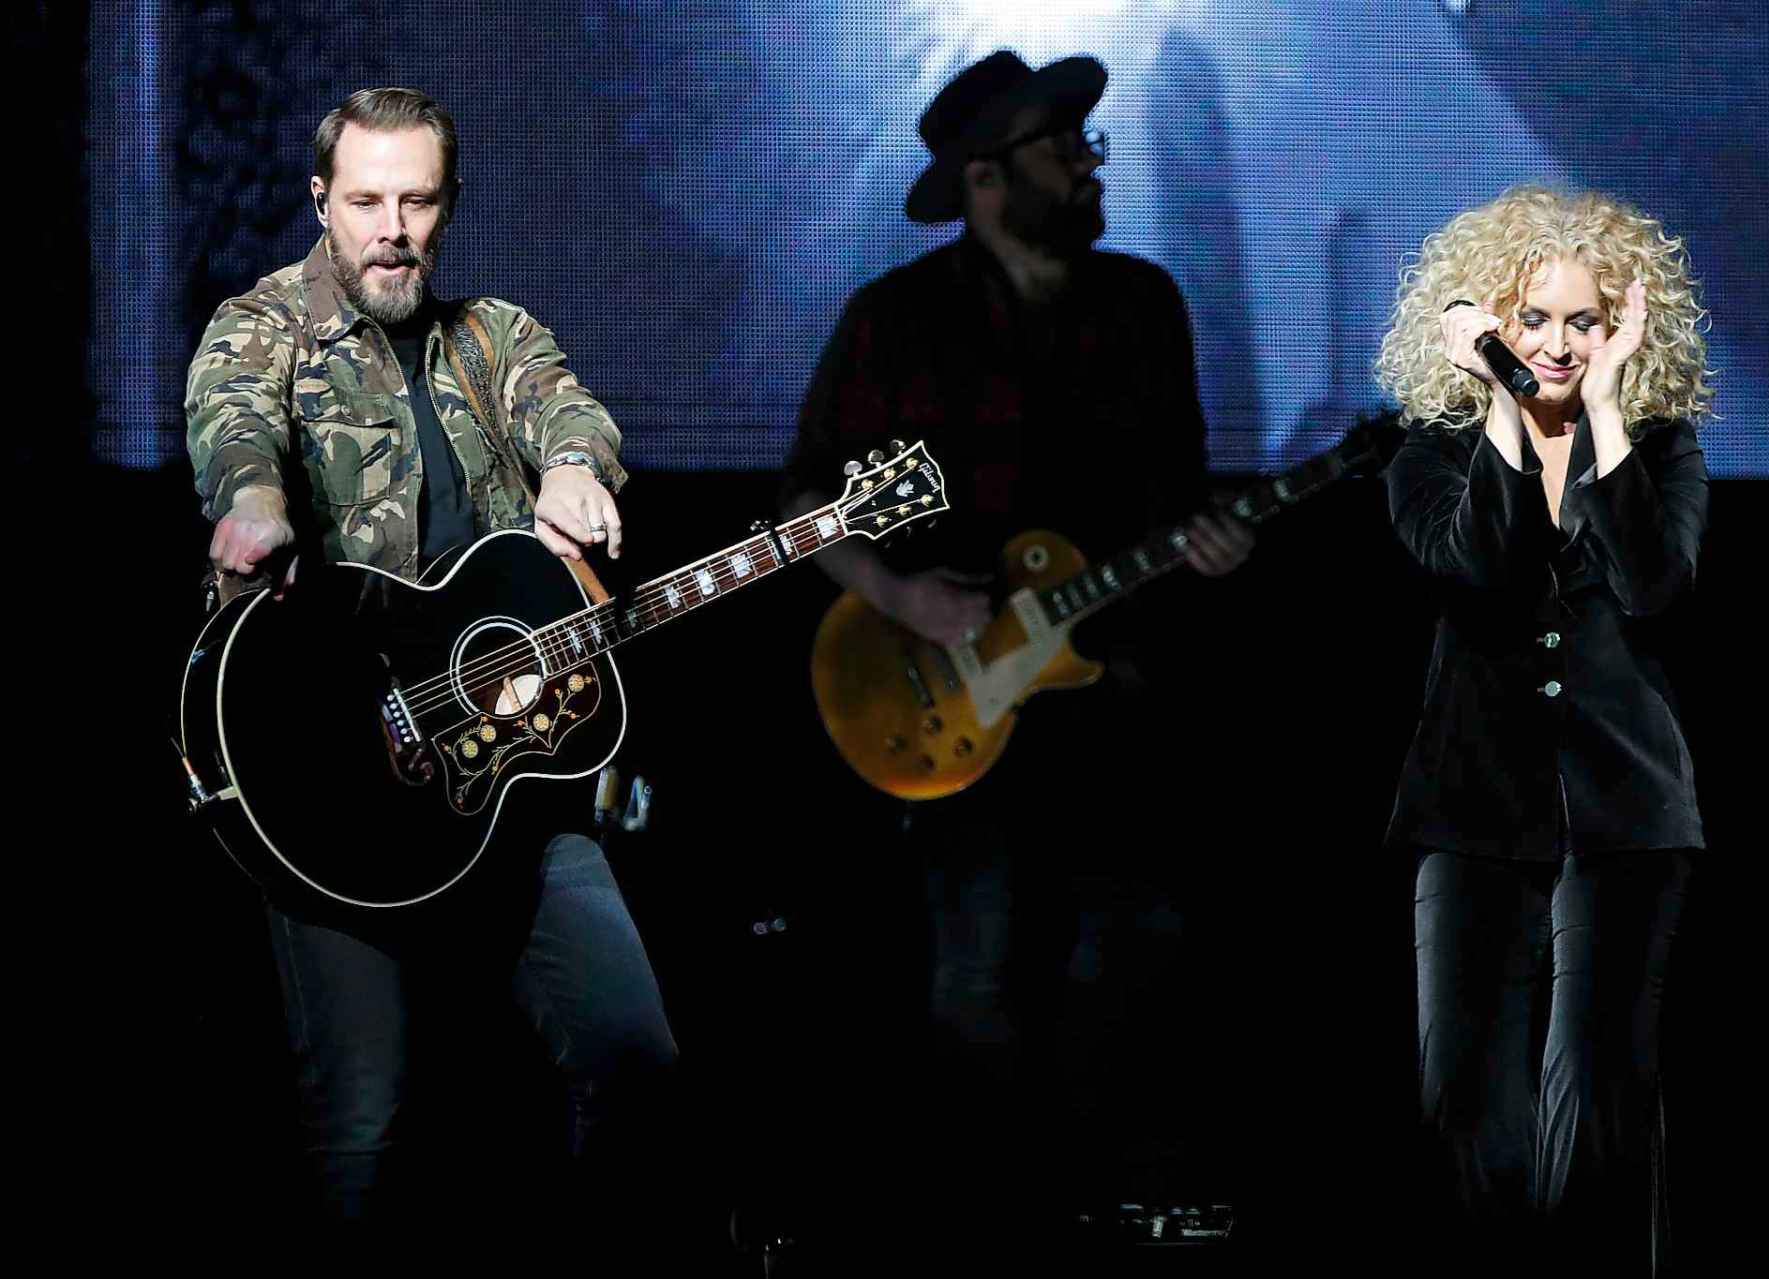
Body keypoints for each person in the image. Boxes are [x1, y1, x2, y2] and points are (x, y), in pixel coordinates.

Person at [777, 51, 1253, 1249]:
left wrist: (1210, 545)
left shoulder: (1145, 304)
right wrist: (902, 593)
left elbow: (1179, 498)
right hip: (957, 710)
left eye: (1089, 143)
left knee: (1138, 954)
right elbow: (805, 507)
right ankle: (986, 1226)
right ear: (986, 179)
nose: (1091, 165)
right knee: (975, 977)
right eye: (1064, 146)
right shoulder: (896, 320)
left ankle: (1110, 1216)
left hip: (1119, 698)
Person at [183, 87, 677, 1223]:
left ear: (450, 205)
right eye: (366, 201)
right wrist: (255, 503)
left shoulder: (494, 335)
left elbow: (566, 408)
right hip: (337, 785)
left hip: (501, 776)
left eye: (417, 201)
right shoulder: (262, 326)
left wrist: (574, 468)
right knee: (368, 1124)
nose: (392, 228)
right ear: (322, 201)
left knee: (635, 1057)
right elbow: (234, 422)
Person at [1374, 185, 1712, 1274]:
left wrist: (1607, 413)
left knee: (1600, 1091)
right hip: (1472, 804)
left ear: (1619, 325)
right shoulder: (1428, 454)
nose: (1557, 345)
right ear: (1488, 321)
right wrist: (1499, 412)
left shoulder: (1659, 449)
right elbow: (1482, 567)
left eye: (1582, 321)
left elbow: (1656, 587)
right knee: (1466, 1096)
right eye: (1532, 319)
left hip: (1627, 809)